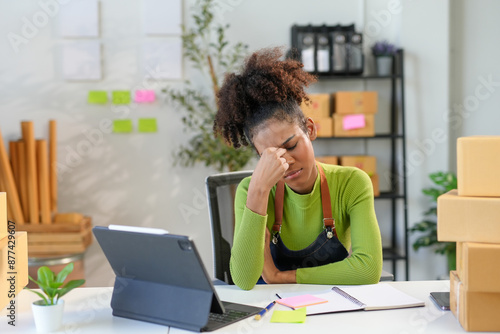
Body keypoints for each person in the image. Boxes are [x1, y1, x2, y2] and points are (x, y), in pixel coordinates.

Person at [213, 47, 382, 290]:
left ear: (310, 130)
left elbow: (367, 269)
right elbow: (244, 279)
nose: (286, 162)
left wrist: (281, 277)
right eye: (271, 156)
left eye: (291, 146)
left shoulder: (351, 183)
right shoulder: (251, 191)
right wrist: (259, 192)